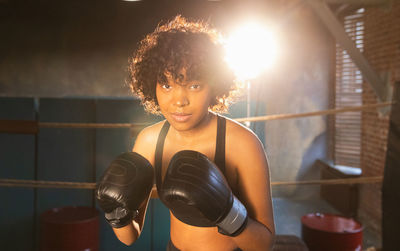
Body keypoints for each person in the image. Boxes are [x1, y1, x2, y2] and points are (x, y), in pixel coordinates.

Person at [96, 15, 275, 251]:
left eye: (194, 85)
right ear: (152, 85)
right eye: (167, 85)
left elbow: (264, 244)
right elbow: (130, 237)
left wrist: (228, 213)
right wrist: (115, 214)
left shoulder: (242, 143)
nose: (179, 101)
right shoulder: (149, 142)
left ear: (214, 86)